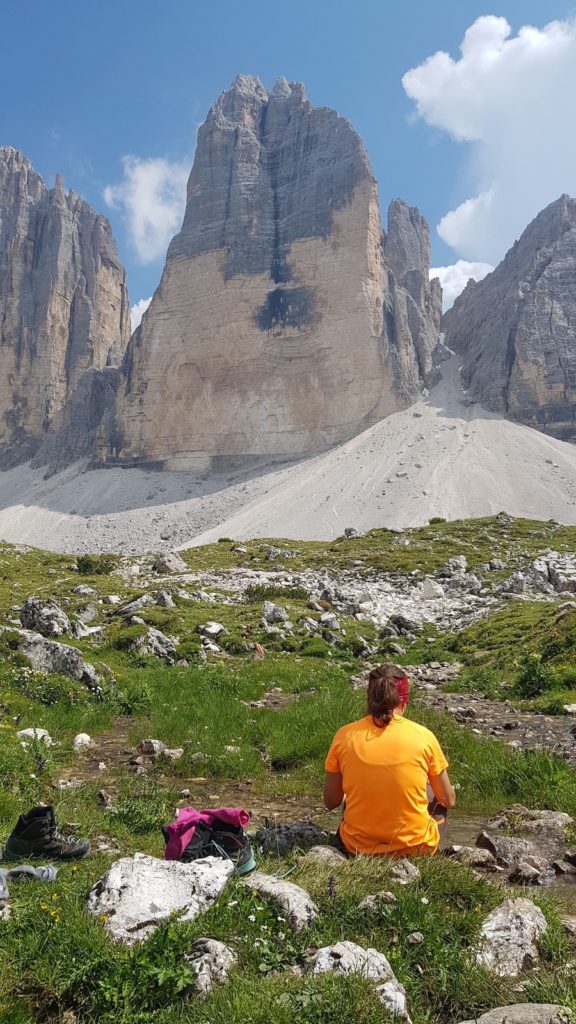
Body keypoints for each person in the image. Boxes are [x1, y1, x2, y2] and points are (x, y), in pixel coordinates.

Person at [323, 664, 455, 857]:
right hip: (416, 849)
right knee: (436, 798)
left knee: (349, 797)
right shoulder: (424, 736)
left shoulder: (345, 735)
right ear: (404, 701)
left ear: (369, 698)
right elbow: (449, 799)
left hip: (358, 848)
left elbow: (330, 801)